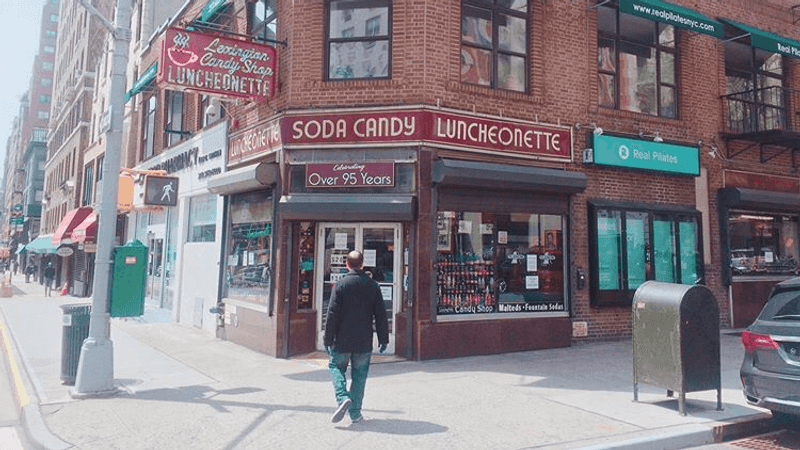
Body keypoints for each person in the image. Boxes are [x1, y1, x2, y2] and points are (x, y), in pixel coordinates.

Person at [324, 250, 389, 424]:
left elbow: (332, 314)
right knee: (360, 376)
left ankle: (342, 396)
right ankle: (355, 413)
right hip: (363, 340)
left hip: (342, 339)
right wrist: (383, 339)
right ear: (362, 265)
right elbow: (381, 314)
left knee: (336, 367)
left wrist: (328, 339)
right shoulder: (373, 285)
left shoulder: (341, 285)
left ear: (347, 264)